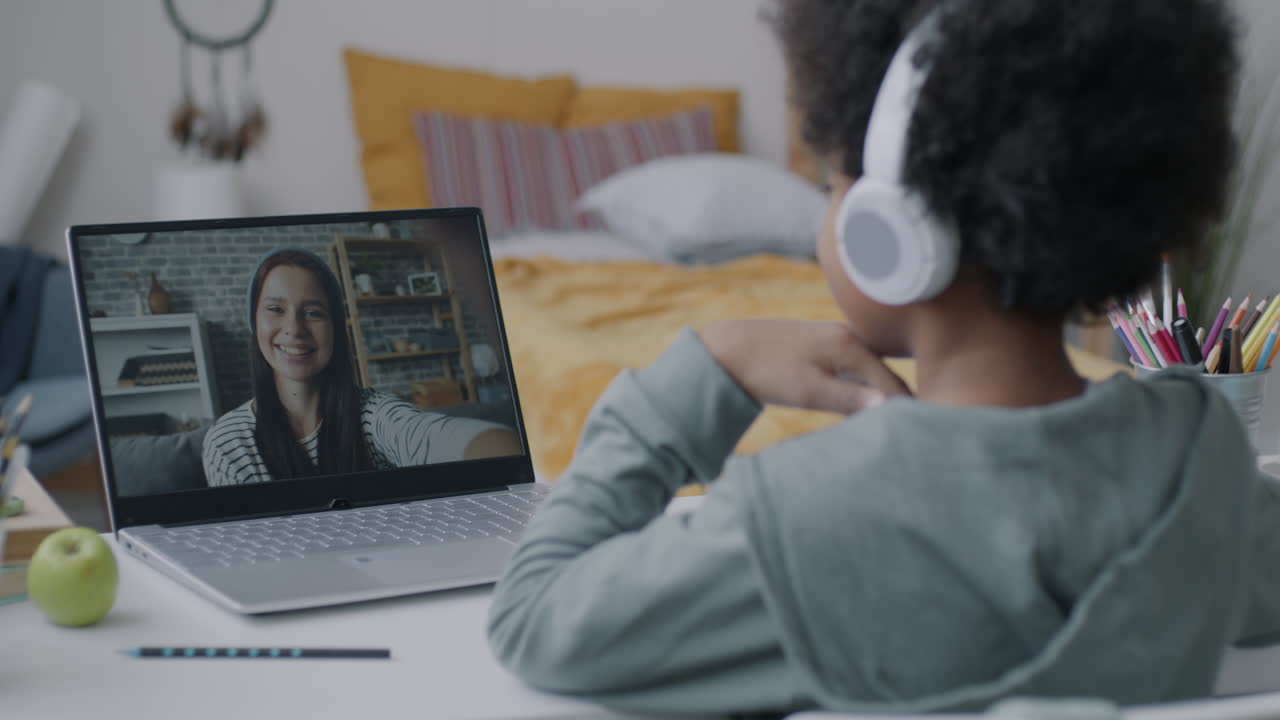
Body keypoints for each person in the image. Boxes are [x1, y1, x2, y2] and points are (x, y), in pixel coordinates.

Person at [486, 0, 1280, 715]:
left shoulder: (797, 517)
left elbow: (535, 617)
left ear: (893, 223)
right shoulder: (1202, 458)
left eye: (833, 184)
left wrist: (705, 368)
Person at [202, 248, 519, 486]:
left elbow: (433, 437)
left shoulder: (373, 415)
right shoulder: (228, 443)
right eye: (275, 309)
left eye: (313, 312)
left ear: (336, 329)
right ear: (254, 322)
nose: (294, 329)